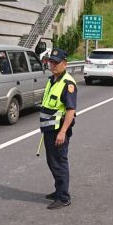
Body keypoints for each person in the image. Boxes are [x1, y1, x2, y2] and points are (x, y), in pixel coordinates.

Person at [40, 48, 77, 210]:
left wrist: (62, 132)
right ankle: (58, 190)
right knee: (52, 161)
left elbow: (71, 111)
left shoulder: (68, 84)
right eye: (51, 61)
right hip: (49, 129)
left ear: (65, 64)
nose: (53, 65)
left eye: (56, 62)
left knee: (59, 163)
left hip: (58, 131)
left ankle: (63, 197)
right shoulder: (52, 80)